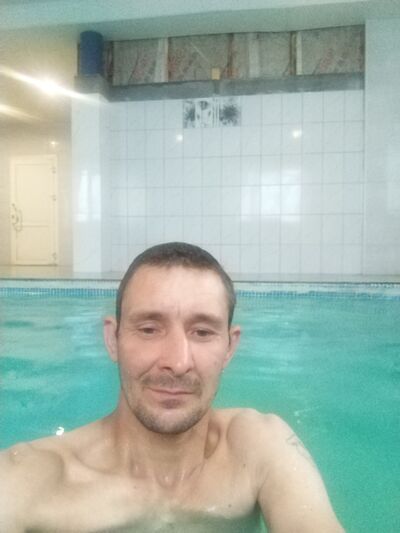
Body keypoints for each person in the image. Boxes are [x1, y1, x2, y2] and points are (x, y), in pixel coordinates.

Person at [0, 242, 344, 532]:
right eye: (149, 329)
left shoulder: (257, 448)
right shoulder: (31, 480)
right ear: (113, 339)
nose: (178, 363)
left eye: (202, 332)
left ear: (229, 347)